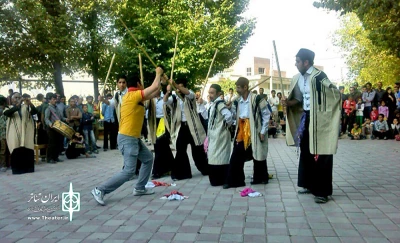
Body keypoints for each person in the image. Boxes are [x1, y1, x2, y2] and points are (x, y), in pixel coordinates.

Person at [91, 67, 164, 206]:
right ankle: (100, 190)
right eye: (141, 83)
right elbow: (154, 87)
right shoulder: (132, 95)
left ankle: (140, 188)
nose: (142, 86)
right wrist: (158, 73)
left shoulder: (135, 96)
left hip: (133, 137)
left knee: (148, 159)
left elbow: (155, 91)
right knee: (129, 170)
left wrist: (162, 79)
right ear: (137, 84)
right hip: (127, 137)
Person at [282, 48, 341, 204]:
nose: (295, 64)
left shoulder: (319, 77)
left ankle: (323, 191)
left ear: (306, 62)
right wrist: (288, 102)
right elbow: (299, 99)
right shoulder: (298, 79)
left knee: (322, 152)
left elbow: (334, 94)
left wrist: (325, 111)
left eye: (298, 61)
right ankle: (308, 184)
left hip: (321, 119)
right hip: (306, 117)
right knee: (306, 150)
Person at [224, 77, 271, 189]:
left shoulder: (257, 98)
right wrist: (229, 108)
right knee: (236, 154)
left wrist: (263, 131)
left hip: (254, 128)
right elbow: (234, 115)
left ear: (245, 87)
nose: (237, 90)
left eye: (239, 87)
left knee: (258, 152)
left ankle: (261, 178)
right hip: (241, 128)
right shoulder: (237, 100)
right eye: (236, 87)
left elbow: (266, 114)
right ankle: (235, 180)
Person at [163, 77, 209, 180]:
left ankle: (206, 169)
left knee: (197, 150)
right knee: (180, 150)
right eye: (178, 87)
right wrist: (168, 92)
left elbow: (188, 93)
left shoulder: (190, 94)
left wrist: (175, 84)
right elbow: (166, 101)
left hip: (192, 126)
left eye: (181, 86)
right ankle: (183, 173)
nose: (179, 89)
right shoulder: (175, 97)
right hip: (182, 127)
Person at [206, 84, 234, 186]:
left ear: (218, 93)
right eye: (209, 93)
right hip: (214, 135)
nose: (210, 95)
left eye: (212, 93)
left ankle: (220, 179)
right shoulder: (213, 104)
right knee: (213, 155)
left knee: (221, 156)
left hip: (221, 134)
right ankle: (216, 179)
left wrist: (226, 126)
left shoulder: (220, 104)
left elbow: (229, 116)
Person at [3, 93, 38, 174]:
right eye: (16, 97)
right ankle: (17, 170)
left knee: (28, 148)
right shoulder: (8, 108)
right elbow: (8, 113)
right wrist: (19, 103)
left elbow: (35, 112)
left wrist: (30, 104)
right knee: (16, 149)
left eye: (19, 97)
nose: (18, 99)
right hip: (14, 132)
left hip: (26, 131)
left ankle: (28, 169)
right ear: (11, 99)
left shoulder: (26, 107)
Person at [147, 91, 174, 179]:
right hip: (154, 122)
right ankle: (171, 167)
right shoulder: (150, 99)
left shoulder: (166, 97)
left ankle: (157, 171)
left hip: (164, 122)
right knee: (164, 147)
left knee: (159, 146)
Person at [44, 94, 69, 164]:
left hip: (59, 128)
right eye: (53, 99)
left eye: (55, 99)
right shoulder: (48, 108)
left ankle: (56, 157)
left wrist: (65, 119)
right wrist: (50, 124)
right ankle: (50, 158)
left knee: (59, 143)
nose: (55, 100)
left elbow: (61, 117)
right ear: (50, 100)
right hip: (52, 128)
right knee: (52, 143)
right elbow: (46, 119)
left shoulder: (57, 108)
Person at [0, 96, 8, 172]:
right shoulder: (4, 111)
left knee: (3, 150)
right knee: (3, 150)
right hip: (4, 134)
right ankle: (4, 165)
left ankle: (3, 164)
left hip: (3, 134)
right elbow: (5, 124)